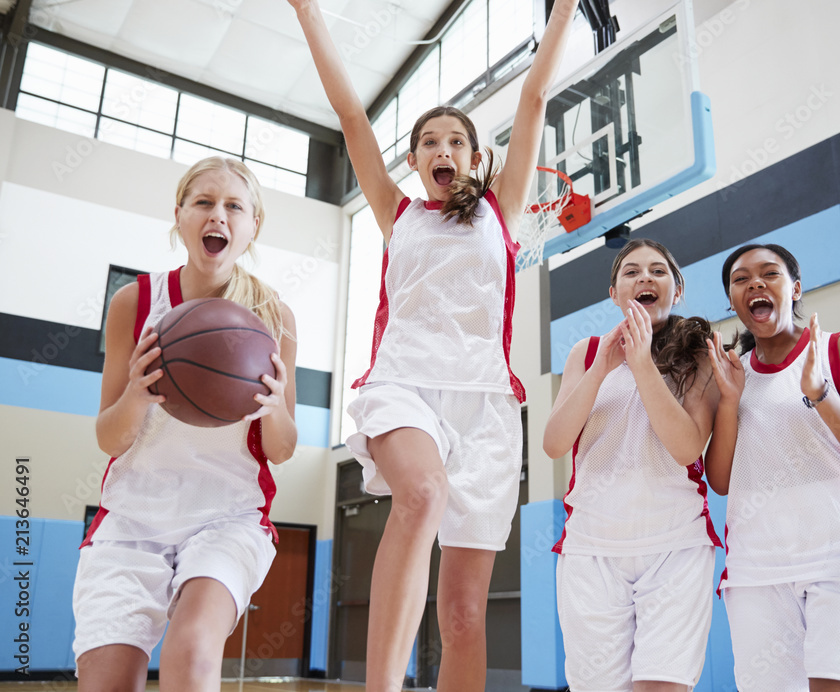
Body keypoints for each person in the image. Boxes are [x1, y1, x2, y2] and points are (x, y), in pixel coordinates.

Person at [289, 1, 579, 689]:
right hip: (406, 385)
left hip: (486, 407)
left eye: (456, 141)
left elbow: (535, 93)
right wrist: (308, 13)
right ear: (415, 160)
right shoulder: (396, 213)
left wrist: (563, 10)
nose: (443, 150)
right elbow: (352, 116)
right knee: (421, 494)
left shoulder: (502, 213)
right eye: (429, 142)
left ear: (475, 158)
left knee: (464, 616)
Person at [73, 157, 298, 692]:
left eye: (233, 206)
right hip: (132, 519)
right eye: (203, 202)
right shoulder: (135, 302)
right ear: (179, 216)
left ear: (252, 226)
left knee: (193, 650)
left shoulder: (274, 315)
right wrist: (136, 394)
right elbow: (109, 436)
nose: (217, 215)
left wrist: (274, 406)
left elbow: (284, 450)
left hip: (228, 516)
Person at [704, 243, 840, 692]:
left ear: (794, 288)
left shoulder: (838, 350)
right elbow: (719, 481)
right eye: (740, 279)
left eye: (769, 273)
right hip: (758, 572)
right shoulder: (731, 374)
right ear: (733, 300)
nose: (754, 282)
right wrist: (730, 401)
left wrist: (820, 393)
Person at [543, 238, 721, 692]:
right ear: (615, 293)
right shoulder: (586, 353)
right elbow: (554, 442)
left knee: (661, 686)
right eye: (632, 271)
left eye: (659, 271)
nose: (645, 277)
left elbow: (686, 448)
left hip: (674, 544)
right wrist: (602, 369)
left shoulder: (701, 353)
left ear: (676, 290)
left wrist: (642, 365)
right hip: (592, 547)